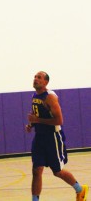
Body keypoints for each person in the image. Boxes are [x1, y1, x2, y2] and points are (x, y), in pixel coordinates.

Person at [26, 71, 89, 201]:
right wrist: (31, 124)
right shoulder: (35, 95)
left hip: (52, 137)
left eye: (39, 77)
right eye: (35, 77)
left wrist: (37, 121)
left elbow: (59, 121)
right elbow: (36, 114)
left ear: (46, 82)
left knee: (57, 171)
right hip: (39, 138)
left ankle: (80, 189)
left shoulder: (50, 97)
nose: (35, 79)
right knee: (36, 170)